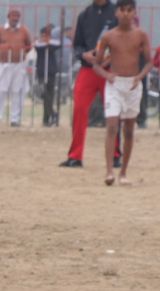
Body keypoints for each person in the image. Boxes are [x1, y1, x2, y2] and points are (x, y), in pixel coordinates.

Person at [88, 0, 150, 186]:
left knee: (129, 129)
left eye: (129, 10)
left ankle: (123, 172)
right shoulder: (108, 36)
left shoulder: (141, 35)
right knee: (112, 125)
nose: (125, 14)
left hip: (133, 85)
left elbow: (149, 62)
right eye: (122, 10)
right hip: (114, 84)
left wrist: (140, 77)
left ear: (134, 13)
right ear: (116, 12)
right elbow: (97, 65)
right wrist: (107, 75)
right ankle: (109, 172)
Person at [60, 0, 119, 168]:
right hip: (88, 69)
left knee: (113, 113)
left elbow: (125, 40)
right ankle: (75, 156)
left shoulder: (117, 12)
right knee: (79, 108)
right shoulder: (84, 15)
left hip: (110, 70)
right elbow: (77, 45)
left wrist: (111, 58)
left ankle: (115, 155)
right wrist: (84, 54)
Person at [0, 8, 32, 127]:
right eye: (13, 16)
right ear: (8, 17)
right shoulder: (0, 30)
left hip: (19, 64)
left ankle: (15, 119)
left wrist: (19, 53)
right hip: (3, 64)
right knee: (0, 90)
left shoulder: (24, 30)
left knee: (17, 91)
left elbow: (29, 46)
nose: (15, 18)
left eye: (17, 16)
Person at [34, 25, 60, 127]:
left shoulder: (53, 45)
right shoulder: (38, 45)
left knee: (50, 96)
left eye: (46, 36)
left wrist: (49, 44)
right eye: (42, 36)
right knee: (44, 93)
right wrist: (45, 44)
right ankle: (53, 115)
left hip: (52, 73)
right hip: (41, 74)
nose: (44, 39)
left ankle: (46, 119)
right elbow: (37, 45)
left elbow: (58, 44)